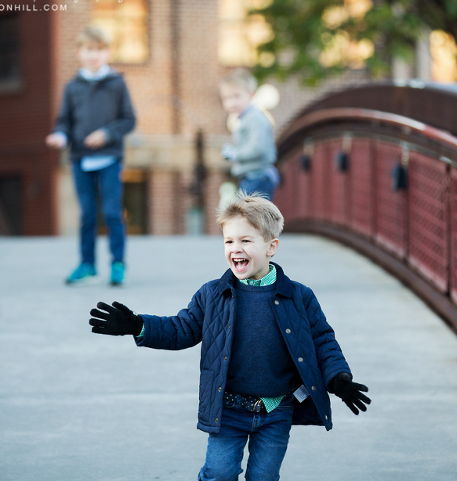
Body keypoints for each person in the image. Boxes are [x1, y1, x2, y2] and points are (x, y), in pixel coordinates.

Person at [89, 192, 370, 481]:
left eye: (246, 241)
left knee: (264, 477)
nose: (236, 248)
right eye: (229, 241)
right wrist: (138, 325)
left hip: (276, 410)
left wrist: (338, 378)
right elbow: (181, 329)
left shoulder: (299, 296)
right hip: (228, 408)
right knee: (219, 473)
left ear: (271, 247)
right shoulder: (213, 294)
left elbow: (322, 341)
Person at [46, 26, 136, 286]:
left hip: (109, 158)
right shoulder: (72, 87)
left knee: (112, 212)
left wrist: (107, 134)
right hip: (80, 159)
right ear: (79, 52)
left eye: (99, 50)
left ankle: (118, 263)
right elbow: (64, 121)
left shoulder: (117, 84)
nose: (93, 55)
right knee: (87, 214)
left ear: (107, 53)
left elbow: (129, 120)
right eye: (88, 50)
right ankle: (87, 264)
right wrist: (60, 136)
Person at [219, 69, 279, 201]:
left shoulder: (254, 118)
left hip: (257, 178)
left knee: (251, 213)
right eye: (226, 98)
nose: (231, 102)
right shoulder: (245, 119)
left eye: (236, 96)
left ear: (251, 96)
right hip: (251, 177)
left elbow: (257, 148)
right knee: (247, 212)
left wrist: (235, 154)